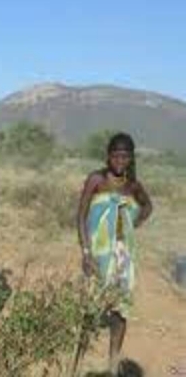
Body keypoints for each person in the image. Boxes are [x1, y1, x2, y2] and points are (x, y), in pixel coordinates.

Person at [77, 132, 153, 375]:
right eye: (116, 155)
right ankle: (76, 364)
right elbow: (80, 216)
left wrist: (133, 223)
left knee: (120, 314)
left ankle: (111, 367)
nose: (121, 161)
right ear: (108, 156)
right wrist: (86, 253)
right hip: (97, 259)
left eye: (126, 157)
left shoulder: (132, 186)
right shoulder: (96, 180)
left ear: (131, 159)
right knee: (89, 311)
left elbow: (148, 206)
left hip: (123, 261)